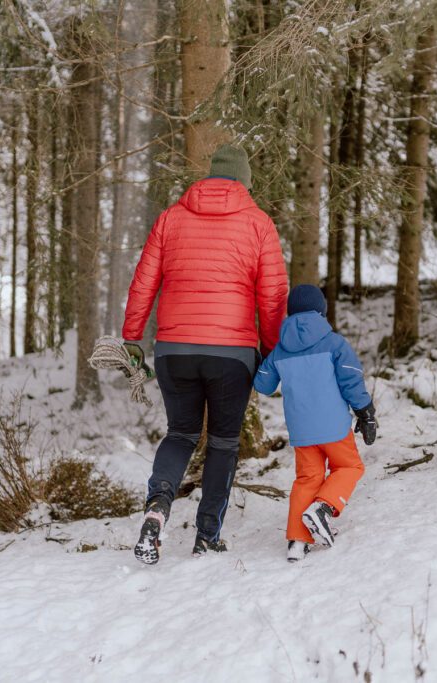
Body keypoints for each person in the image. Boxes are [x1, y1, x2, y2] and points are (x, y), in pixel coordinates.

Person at [122, 144, 288, 565]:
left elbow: (144, 281)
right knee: (223, 443)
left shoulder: (171, 218)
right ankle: (207, 535)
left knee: (180, 434)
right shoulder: (259, 224)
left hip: (174, 349)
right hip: (232, 353)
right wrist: (270, 350)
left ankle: (157, 510)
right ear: (244, 182)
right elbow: (272, 297)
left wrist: (132, 337)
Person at [253, 285, 378, 562]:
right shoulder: (333, 343)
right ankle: (323, 508)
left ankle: (297, 541)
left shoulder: (280, 350)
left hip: (301, 430)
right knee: (349, 466)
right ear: (321, 311)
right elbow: (351, 380)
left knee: (307, 478)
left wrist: (258, 357)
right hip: (333, 426)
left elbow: (263, 384)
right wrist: (365, 412)